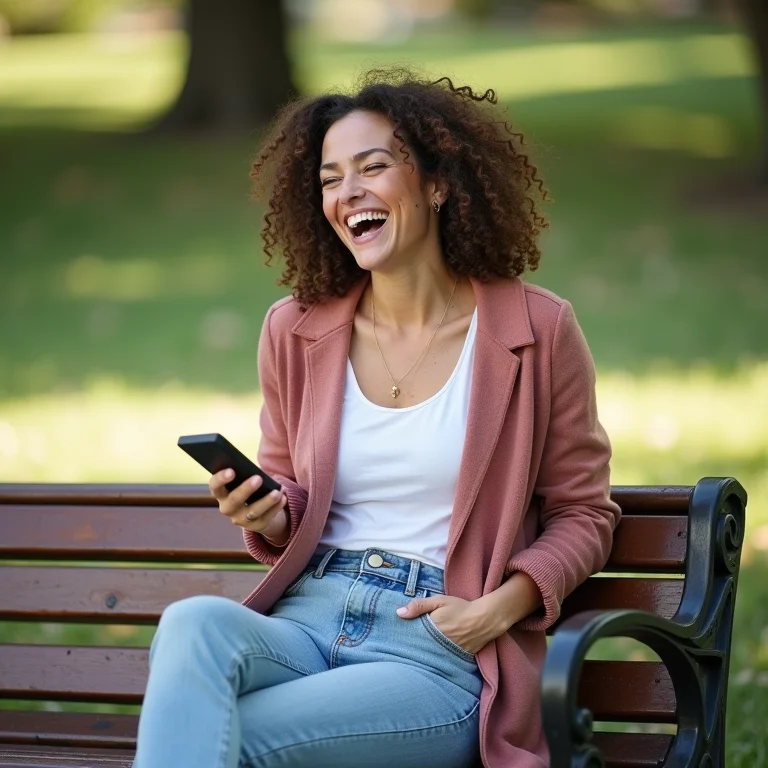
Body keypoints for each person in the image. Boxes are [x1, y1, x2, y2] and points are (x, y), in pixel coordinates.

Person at [133, 69, 621, 768]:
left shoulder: (535, 331)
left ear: (437, 184)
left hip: (432, 649)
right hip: (307, 616)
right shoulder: (296, 330)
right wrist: (269, 514)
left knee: (225, 735)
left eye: (373, 167)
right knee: (191, 626)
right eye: (330, 179)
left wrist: (496, 610)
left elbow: (585, 514)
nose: (348, 192)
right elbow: (292, 489)